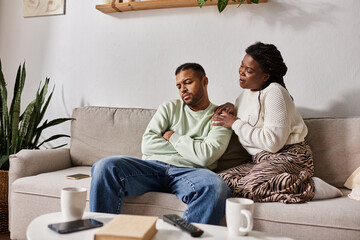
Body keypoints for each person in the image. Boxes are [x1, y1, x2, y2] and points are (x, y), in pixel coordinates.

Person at [90, 63, 232, 224]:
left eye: (188, 82)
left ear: (204, 81)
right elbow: (147, 144)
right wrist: (193, 148)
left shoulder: (221, 116)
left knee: (216, 187)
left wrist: (172, 136)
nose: (182, 89)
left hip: (190, 173)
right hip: (151, 168)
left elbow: (206, 157)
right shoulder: (169, 108)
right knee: (105, 166)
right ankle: (101, 233)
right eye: (179, 86)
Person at [211, 42, 315, 203]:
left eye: (249, 70)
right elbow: (252, 116)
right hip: (262, 161)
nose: (241, 72)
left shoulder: (275, 92)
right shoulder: (244, 95)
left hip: (290, 157)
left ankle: (309, 185)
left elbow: (273, 143)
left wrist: (235, 123)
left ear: (265, 76)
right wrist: (233, 107)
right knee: (215, 183)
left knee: (248, 187)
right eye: (241, 66)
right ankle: (280, 181)